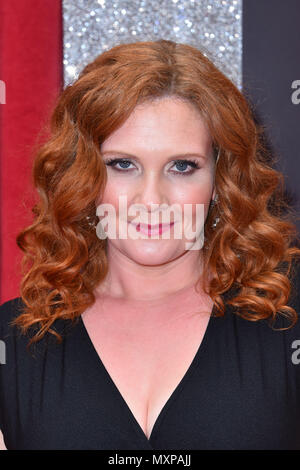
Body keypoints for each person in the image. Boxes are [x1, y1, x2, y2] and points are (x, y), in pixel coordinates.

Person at [0, 39, 300, 450]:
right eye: (123, 164)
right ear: (84, 177)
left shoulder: (287, 318)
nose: (152, 200)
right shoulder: (13, 342)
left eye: (182, 166)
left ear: (220, 181)